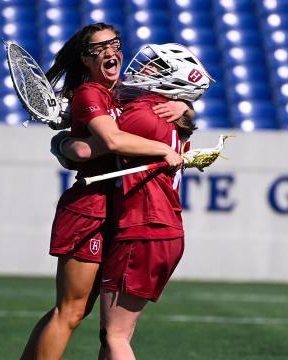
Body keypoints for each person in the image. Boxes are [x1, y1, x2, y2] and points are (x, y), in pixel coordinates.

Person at [20, 23, 193, 360]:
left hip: (116, 210)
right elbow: (111, 141)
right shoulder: (90, 93)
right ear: (85, 59)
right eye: (98, 48)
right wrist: (71, 145)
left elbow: (175, 103)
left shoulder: (123, 91)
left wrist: (185, 108)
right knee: (70, 312)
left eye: (114, 43)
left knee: (95, 322)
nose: (110, 51)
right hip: (88, 209)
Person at [58, 43, 213, 358]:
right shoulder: (170, 112)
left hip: (142, 227)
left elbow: (87, 149)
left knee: (116, 336)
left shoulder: (142, 113)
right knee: (113, 335)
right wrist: (186, 105)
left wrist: (63, 138)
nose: (143, 69)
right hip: (162, 228)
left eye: (155, 67)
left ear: (171, 81)